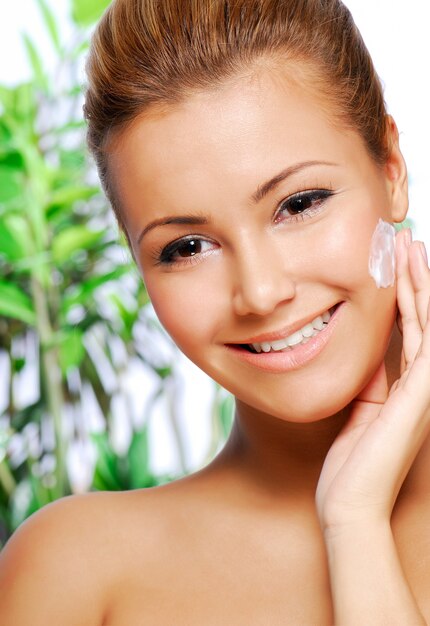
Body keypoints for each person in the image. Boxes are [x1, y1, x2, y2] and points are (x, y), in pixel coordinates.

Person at [1, 0, 430, 623]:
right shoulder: (71, 574)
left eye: (299, 203)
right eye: (187, 247)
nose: (259, 293)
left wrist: (358, 526)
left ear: (391, 169)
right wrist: (351, 519)